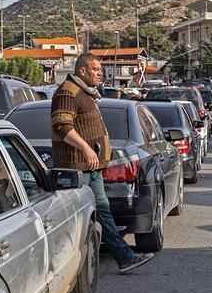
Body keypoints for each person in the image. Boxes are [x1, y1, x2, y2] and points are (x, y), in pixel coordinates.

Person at [51, 53, 154, 274]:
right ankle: (63, 268)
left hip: (92, 168)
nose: (101, 73)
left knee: (103, 212)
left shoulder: (86, 93)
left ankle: (124, 258)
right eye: (96, 69)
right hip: (78, 167)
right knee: (79, 219)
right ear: (82, 71)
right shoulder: (68, 92)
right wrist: (86, 148)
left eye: (100, 70)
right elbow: (62, 125)